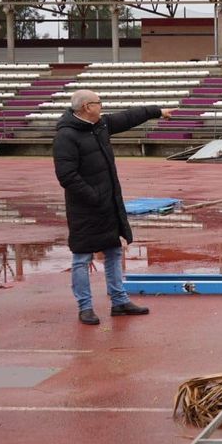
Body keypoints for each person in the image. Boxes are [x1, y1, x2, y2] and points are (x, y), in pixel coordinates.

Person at [53, 89, 173, 325]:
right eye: (99, 103)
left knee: (114, 251)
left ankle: (119, 301)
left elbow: (128, 117)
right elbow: (66, 176)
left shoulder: (101, 125)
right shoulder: (66, 136)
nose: (102, 106)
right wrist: (94, 196)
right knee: (81, 257)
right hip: (85, 208)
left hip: (108, 203)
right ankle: (85, 307)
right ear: (87, 107)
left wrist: (157, 111)